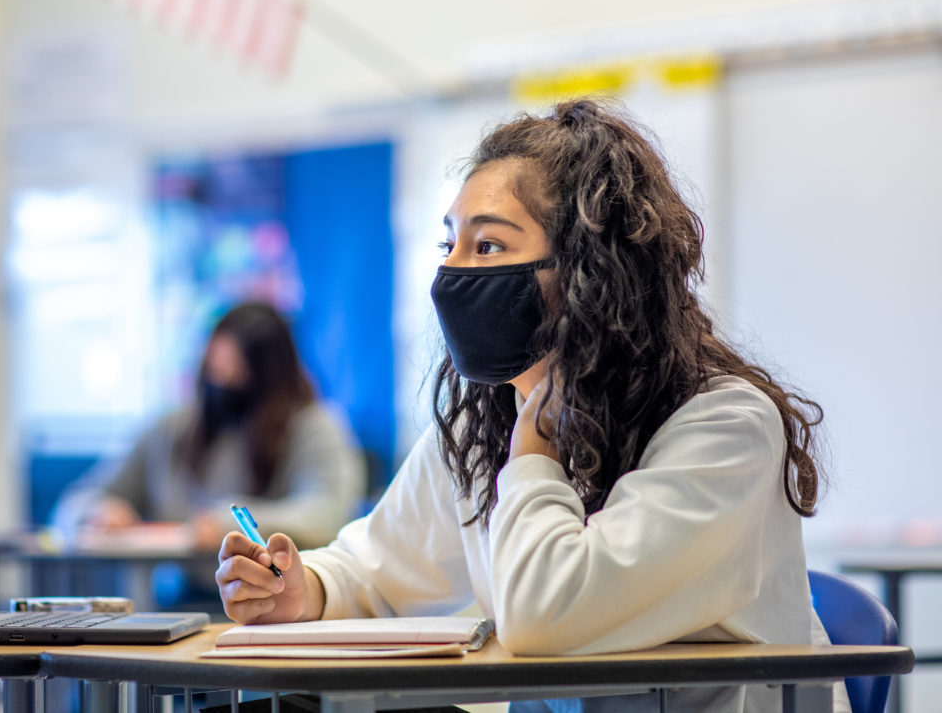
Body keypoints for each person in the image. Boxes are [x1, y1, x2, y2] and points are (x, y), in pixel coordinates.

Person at [215, 100, 839, 713]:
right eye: (449, 246)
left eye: (487, 248)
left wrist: (535, 455)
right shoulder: (487, 419)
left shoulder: (725, 426)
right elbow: (380, 568)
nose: (451, 275)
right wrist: (303, 590)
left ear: (590, 271)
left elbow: (548, 616)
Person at [53, 301, 365, 552]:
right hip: (174, 603)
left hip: (274, 609)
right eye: (215, 371)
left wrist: (226, 527)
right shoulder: (172, 429)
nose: (223, 385)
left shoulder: (315, 427)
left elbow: (327, 515)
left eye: (239, 374)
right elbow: (77, 502)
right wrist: (99, 512)